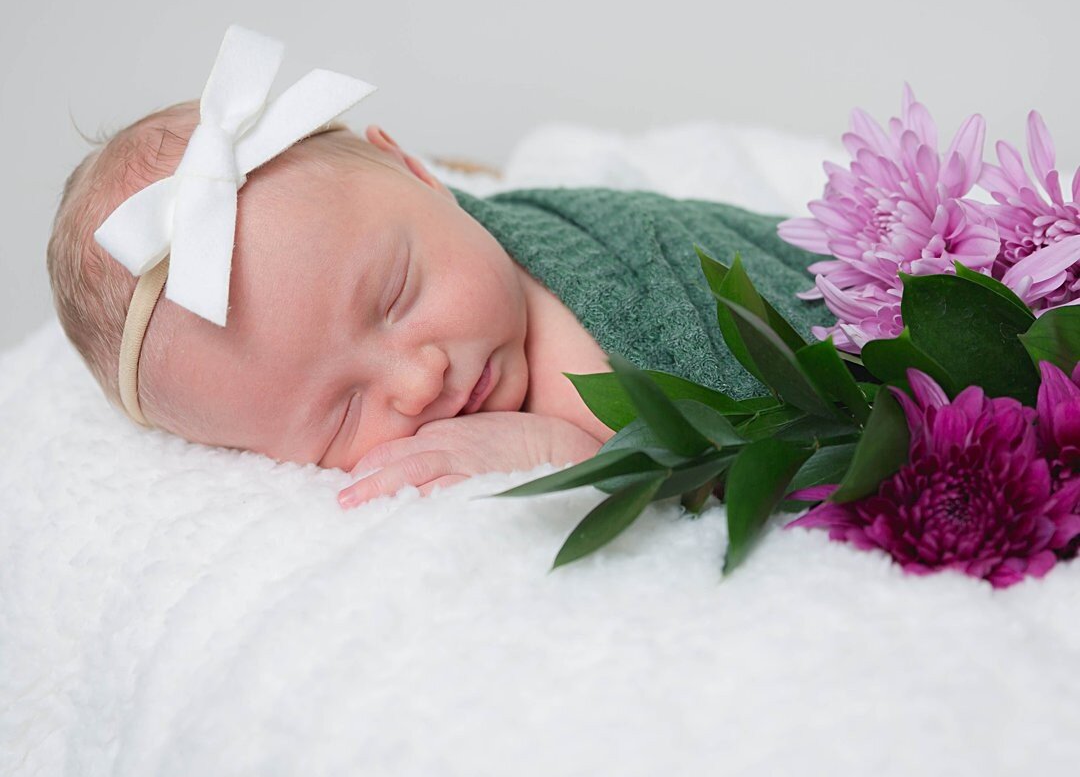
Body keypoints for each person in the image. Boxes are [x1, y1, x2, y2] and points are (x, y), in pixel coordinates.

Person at [46, 28, 829, 510]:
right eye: (344, 413)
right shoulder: (439, 272)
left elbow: (720, 454)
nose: (419, 383)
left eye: (396, 295)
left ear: (421, 174)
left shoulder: (566, 336)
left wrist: (564, 451)